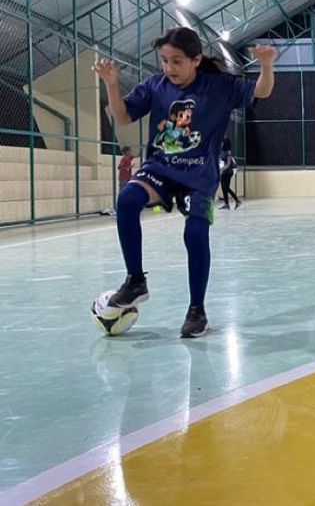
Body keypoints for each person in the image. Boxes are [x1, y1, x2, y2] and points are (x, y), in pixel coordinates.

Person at [92, 30, 276, 338]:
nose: (168, 68)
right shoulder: (155, 86)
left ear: (196, 60)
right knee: (126, 200)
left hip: (199, 177)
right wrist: (111, 84)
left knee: (195, 232)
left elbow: (262, 91)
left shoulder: (219, 87)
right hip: (161, 170)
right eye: (164, 61)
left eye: (176, 61)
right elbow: (123, 117)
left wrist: (266, 66)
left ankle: (197, 311)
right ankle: (135, 281)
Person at [217, 145, 241, 210]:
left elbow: (228, 164)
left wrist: (222, 170)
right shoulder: (219, 151)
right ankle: (226, 204)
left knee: (226, 188)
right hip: (223, 171)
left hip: (228, 171)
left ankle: (237, 201)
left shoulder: (228, 152)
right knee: (223, 187)